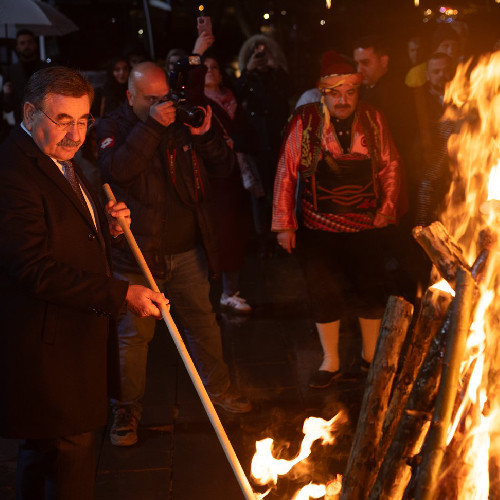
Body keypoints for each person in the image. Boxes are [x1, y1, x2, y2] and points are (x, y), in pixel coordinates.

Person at [0, 66, 168, 500]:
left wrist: (103, 227)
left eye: (83, 120)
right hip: (50, 352)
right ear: (30, 112)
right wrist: (122, 294)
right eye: (63, 121)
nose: (76, 135)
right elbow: (34, 268)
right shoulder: (14, 172)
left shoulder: (56, 157)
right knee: (69, 458)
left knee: (43, 457)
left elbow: (64, 225)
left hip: (68, 343)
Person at [96, 61, 252, 447]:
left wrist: (204, 135)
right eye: (150, 99)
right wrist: (152, 125)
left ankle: (220, 391)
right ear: (129, 96)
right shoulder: (112, 126)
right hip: (137, 256)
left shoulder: (179, 120)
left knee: (203, 325)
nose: (160, 104)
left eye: (163, 97)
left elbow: (223, 168)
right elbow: (117, 170)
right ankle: (126, 410)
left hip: (186, 251)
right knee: (133, 338)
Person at [272, 51, 406, 389]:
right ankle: (330, 360)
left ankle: (370, 356)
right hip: (318, 229)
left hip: (366, 227)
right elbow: (286, 172)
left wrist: (387, 209)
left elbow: (390, 164)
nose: (343, 100)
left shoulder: (374, 119)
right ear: (323, 93)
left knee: (370, 290)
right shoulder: (304, 121)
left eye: (350, 93)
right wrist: (285, 224)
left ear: (358, 92)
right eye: (335, 93)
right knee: (323, 292)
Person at [203, 54, 255, 314]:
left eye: (214, 66)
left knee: (237, 229)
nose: (210, 72)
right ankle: (224, 291)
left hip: (239, 172)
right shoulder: (199, 104)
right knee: (223, 232)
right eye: (205, 68)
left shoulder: (233, 99)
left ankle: (230, 289)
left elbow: (250, 131)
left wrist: (238, 141)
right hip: (216, 175)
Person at [236, 34, 290, 257]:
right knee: (258, 195)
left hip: (277, 140)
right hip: (255, 143)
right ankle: (263, 241)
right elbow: (237, 96)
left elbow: (286, 93)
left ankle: (280, 236)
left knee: (279, 191)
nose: (260, 57)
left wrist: (274, 69)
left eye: (264, 52)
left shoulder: (278, 76)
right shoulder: (247, 78)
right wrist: (248, 71)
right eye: (256, 53)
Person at [1, 30, 49, 124]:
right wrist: (7, 94)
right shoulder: (11, 71)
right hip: (20, 123)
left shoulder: (46, 69)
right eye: (22, 43)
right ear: (18, 47)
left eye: (29, 42)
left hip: (44, 121)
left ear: (35, 45)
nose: (26, 46)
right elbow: (6, 107)